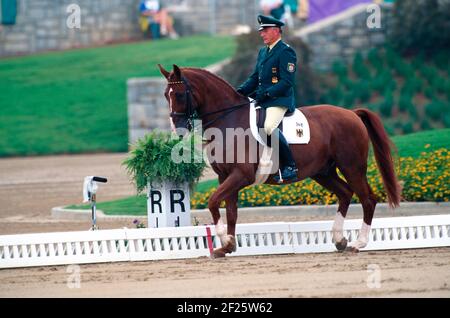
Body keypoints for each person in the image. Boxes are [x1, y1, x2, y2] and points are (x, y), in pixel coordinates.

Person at [236, 15, 298, 183]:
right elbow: (255, 77)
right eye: (261, 31)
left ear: (276, 31)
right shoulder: (263, 51)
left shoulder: (286, 51)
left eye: (265, 31)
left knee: (268, 127)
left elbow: (287, 82)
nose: (262, 34)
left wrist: (267, 93)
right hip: (263, 99)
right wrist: (241, 91)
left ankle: (290, 166)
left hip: (279, 100)